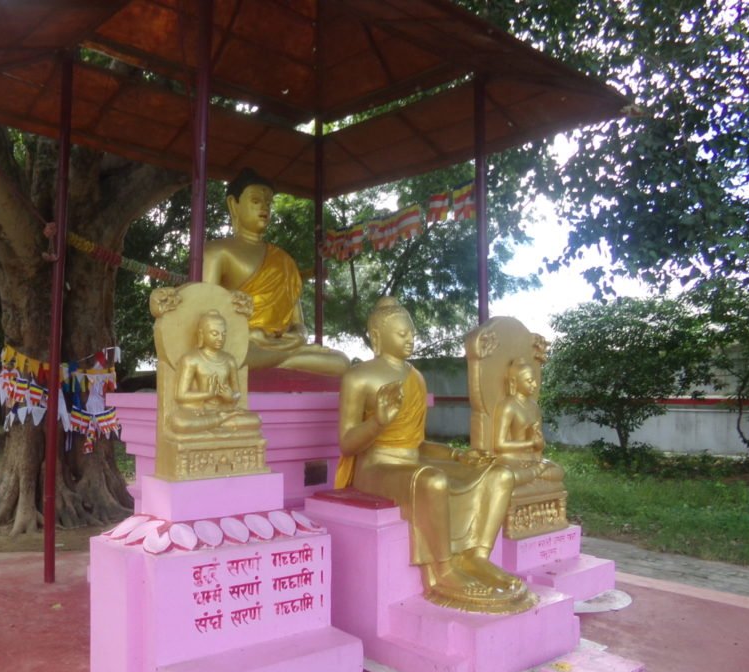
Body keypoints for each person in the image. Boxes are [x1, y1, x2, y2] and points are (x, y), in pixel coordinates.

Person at [336, 297, 535, 613]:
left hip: (411, 460)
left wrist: (457, 455)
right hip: (375, 466)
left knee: (499, 474)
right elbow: (347, 444)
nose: (410, 339)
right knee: (432, 481)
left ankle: (477, 557)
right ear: (377, 336)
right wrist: (377, 423)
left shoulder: (416, 377)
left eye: (412, 333)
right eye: (401, 333)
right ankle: (444, 570)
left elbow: (418, 444)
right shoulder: (358, 377)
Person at [203, 168, 349, 375]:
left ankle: (284, 358)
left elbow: (298, 323)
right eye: (255, 201)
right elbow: (203, 312)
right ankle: (290, 358)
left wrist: (299, 335)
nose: (264, 207)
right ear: (233, 205)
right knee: (229, 355)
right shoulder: (216, 252)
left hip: (277, 344)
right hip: (239, 344)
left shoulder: (284, 260)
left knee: (341, 362)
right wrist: (248, 333)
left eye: (269, 203)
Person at [168, 310, 261, 435]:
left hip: (225, 410)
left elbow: (237, 393)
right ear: (202, 334)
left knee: (255, 420)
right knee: (180, 423)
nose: (220, 338)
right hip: (198, 412)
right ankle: (220, 420)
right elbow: (180, 395)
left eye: (224, 334)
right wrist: (208, 394)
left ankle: (217, 421)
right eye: (214, 334)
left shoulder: (229, 360)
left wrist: (230, 397)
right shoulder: (191, 359)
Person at [492, 358, 564, 485]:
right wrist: (530, 443)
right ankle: (536, 472)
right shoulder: (508, 406)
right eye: (529, 381)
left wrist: (539, 442)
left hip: (532, 457)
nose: (534, 385)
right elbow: (499, 445)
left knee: (559, 471)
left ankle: (532, 474)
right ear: (514, 382)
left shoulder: (534, 406)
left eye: (534, 380)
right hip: (511, 458)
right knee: (508, 475)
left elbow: (539, 444)